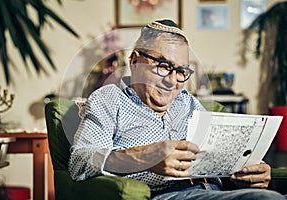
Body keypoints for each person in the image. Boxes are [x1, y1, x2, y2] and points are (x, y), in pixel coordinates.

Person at [68, 19, 286, 200]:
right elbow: (82, 161)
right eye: (164, 66)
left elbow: (220, 152)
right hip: (168, 194)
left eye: (181, 72)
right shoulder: (109, 98)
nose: (173, 81)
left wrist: (252, 170)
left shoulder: (187, 102)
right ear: (134, 61)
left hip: (219, 191)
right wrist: (145, 157)